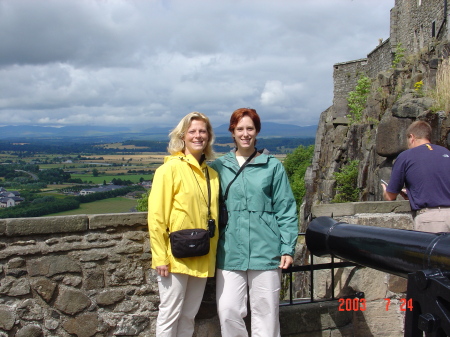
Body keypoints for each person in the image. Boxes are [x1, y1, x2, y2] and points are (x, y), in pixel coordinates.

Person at [210, 108, 298, 337]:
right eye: (240, 129)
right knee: (228, 310)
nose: (245, 133)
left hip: (265, 249)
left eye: (250, 128)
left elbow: (285, 208)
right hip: (229, 251)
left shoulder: (273, 166)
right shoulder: (219, 167)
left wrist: (287, 247)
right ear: (232, 132)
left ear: (257, 131)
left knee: (266, 314)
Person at [147, 112, 219, 337]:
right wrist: (160, 257)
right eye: (193, 131)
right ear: (182, 136)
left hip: (202, 254)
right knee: (169, 314)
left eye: (202, 131)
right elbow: (157, 216)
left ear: (208, 136)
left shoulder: (213, 174)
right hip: (175, 256)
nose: (198, 136)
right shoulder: (169, 169)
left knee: (189, 315)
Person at [382, 120, 450, 232]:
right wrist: (414, 193)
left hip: (432, 220)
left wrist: (385, 191)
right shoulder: (446, 152)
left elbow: (390, 196)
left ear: (412, 137)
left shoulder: (406, 156)